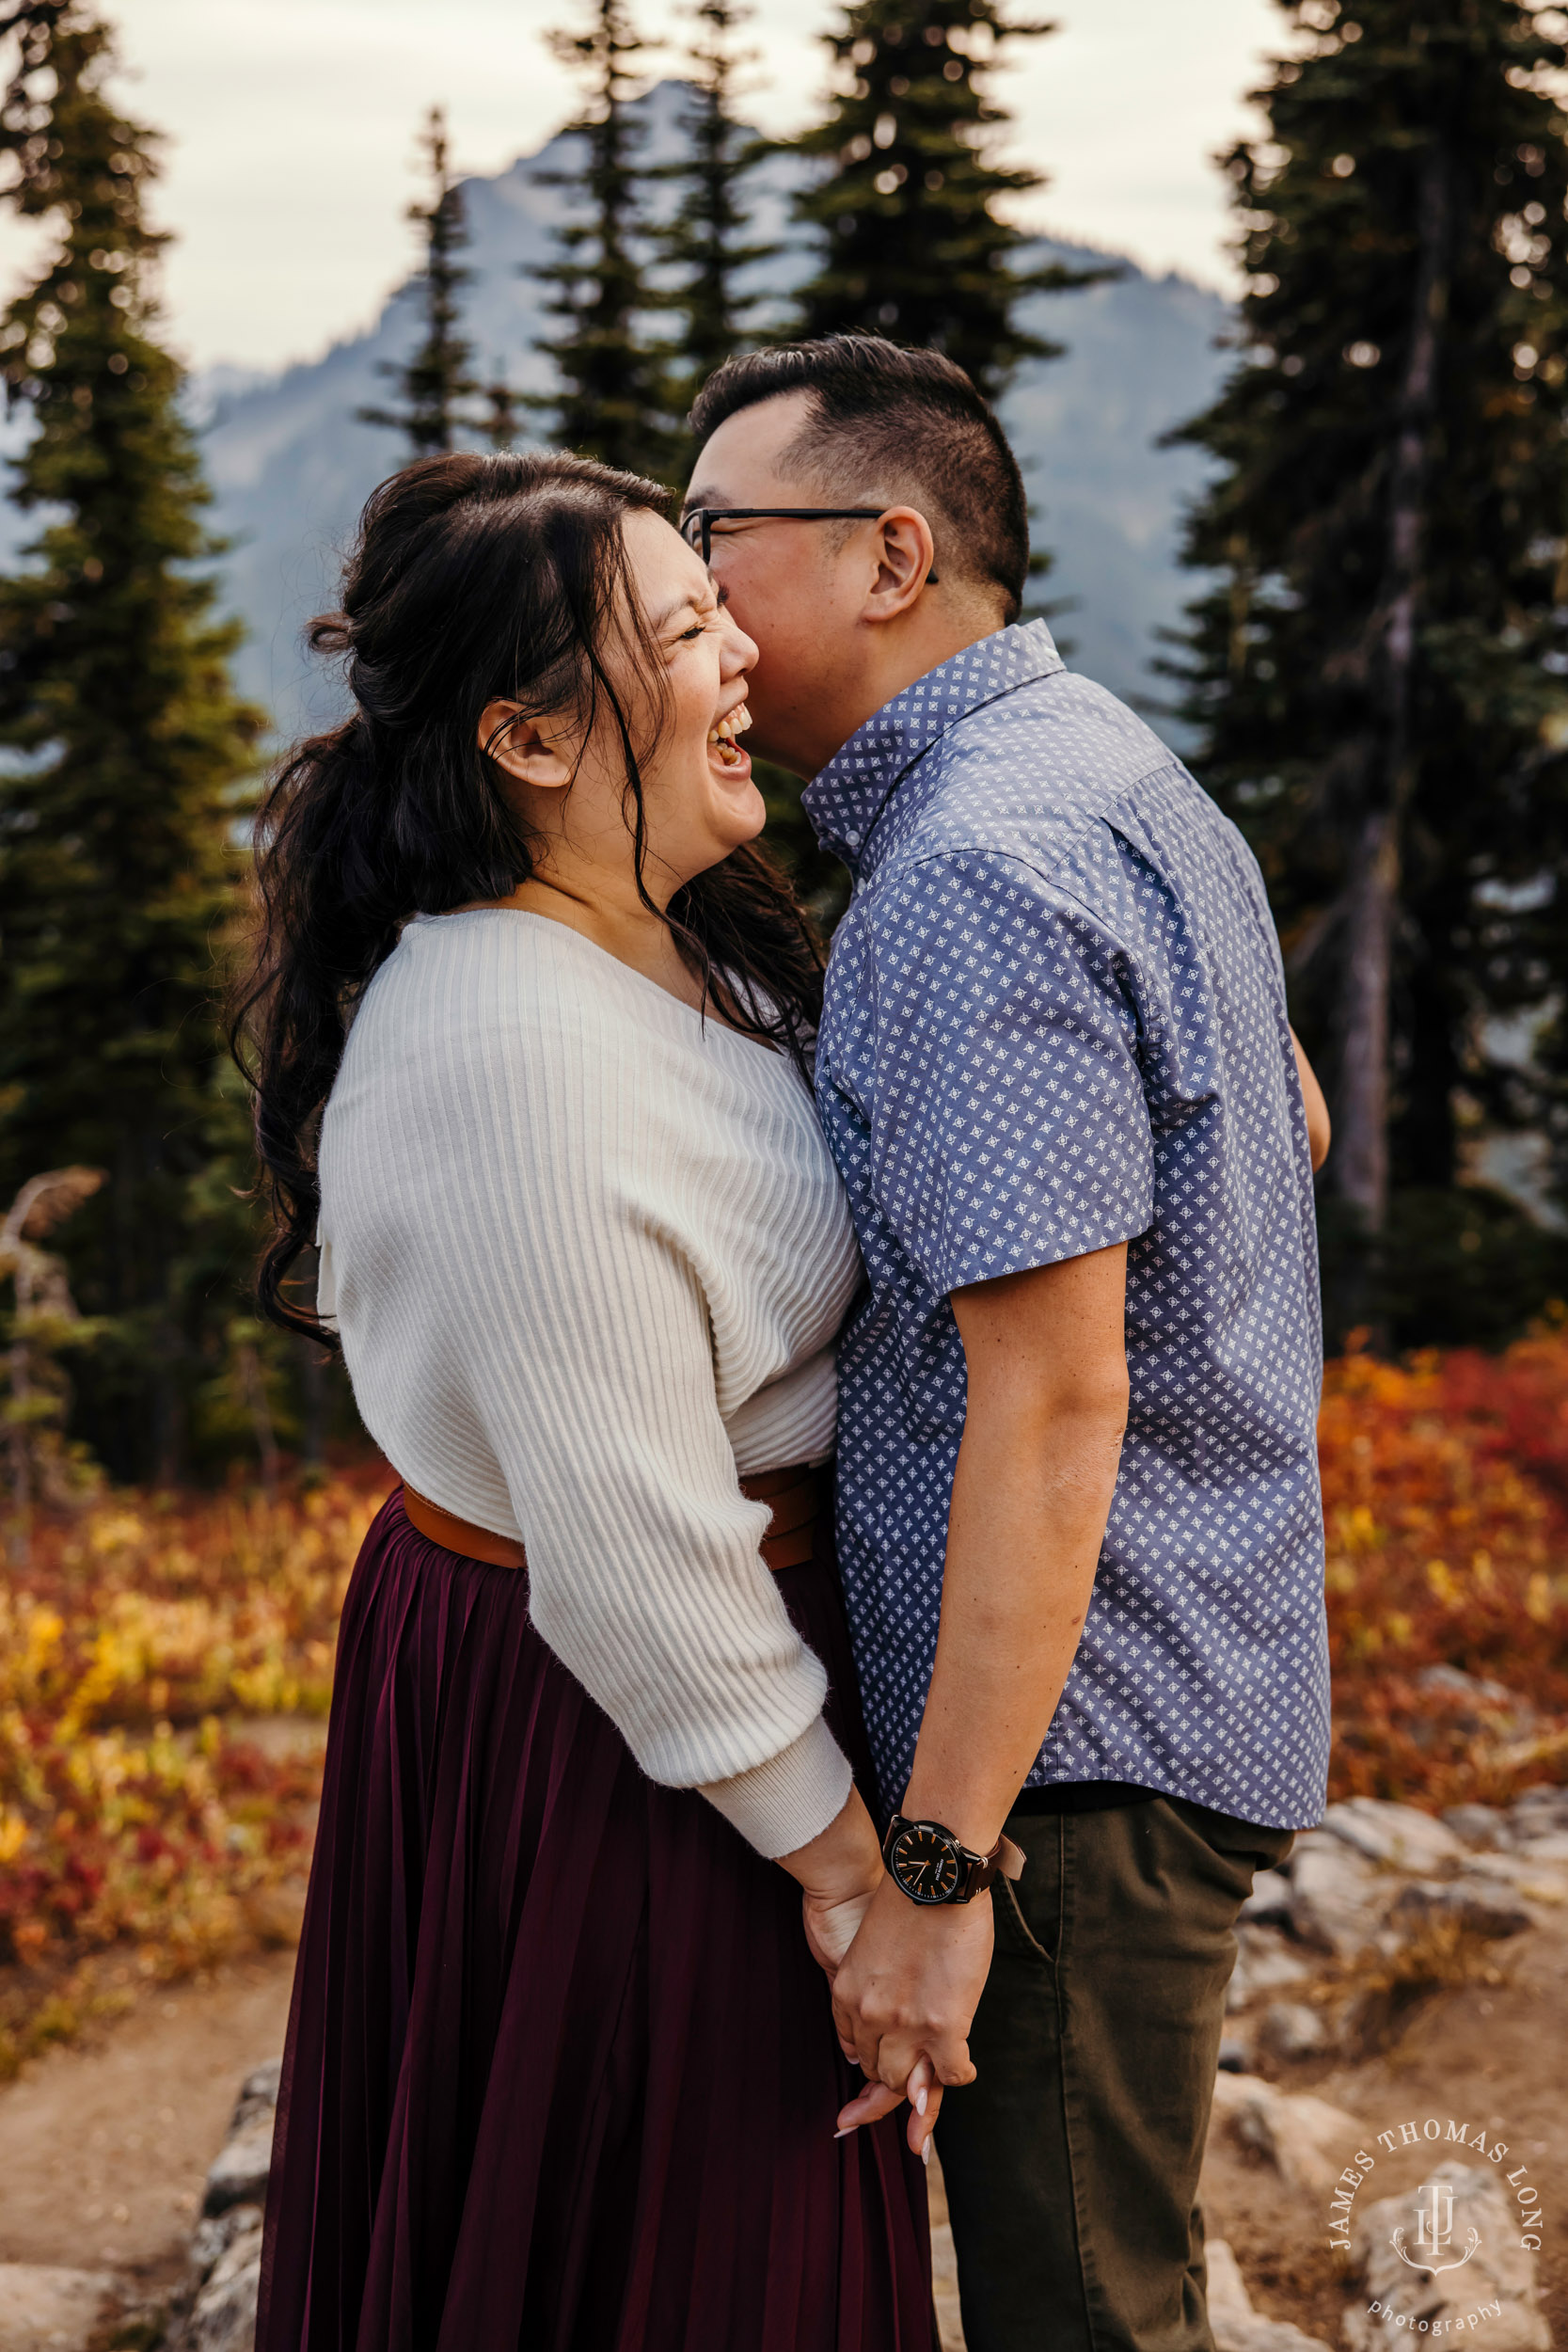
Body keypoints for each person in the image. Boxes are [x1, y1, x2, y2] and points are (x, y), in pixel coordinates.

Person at [234, 450, 937, 2351]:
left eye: (719, 606)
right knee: (694, 2252)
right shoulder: (512, 1050)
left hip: (663, 1697)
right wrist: (854, 1869)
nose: (741, 659)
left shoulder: (685, 940)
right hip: (619, 1733)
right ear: (531, 739)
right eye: (682, 626)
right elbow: (632, 1552)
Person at [681, 335, 1334, 2352]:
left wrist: (944, 1864)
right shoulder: (1103, 764)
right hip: (1165, 1673)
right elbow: (1287, 1114)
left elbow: (1053, 1391)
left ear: (892, 554)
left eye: (717, 538)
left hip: (1070, 1748)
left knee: (1082, 2317)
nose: (690, 591)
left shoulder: (965, 866)